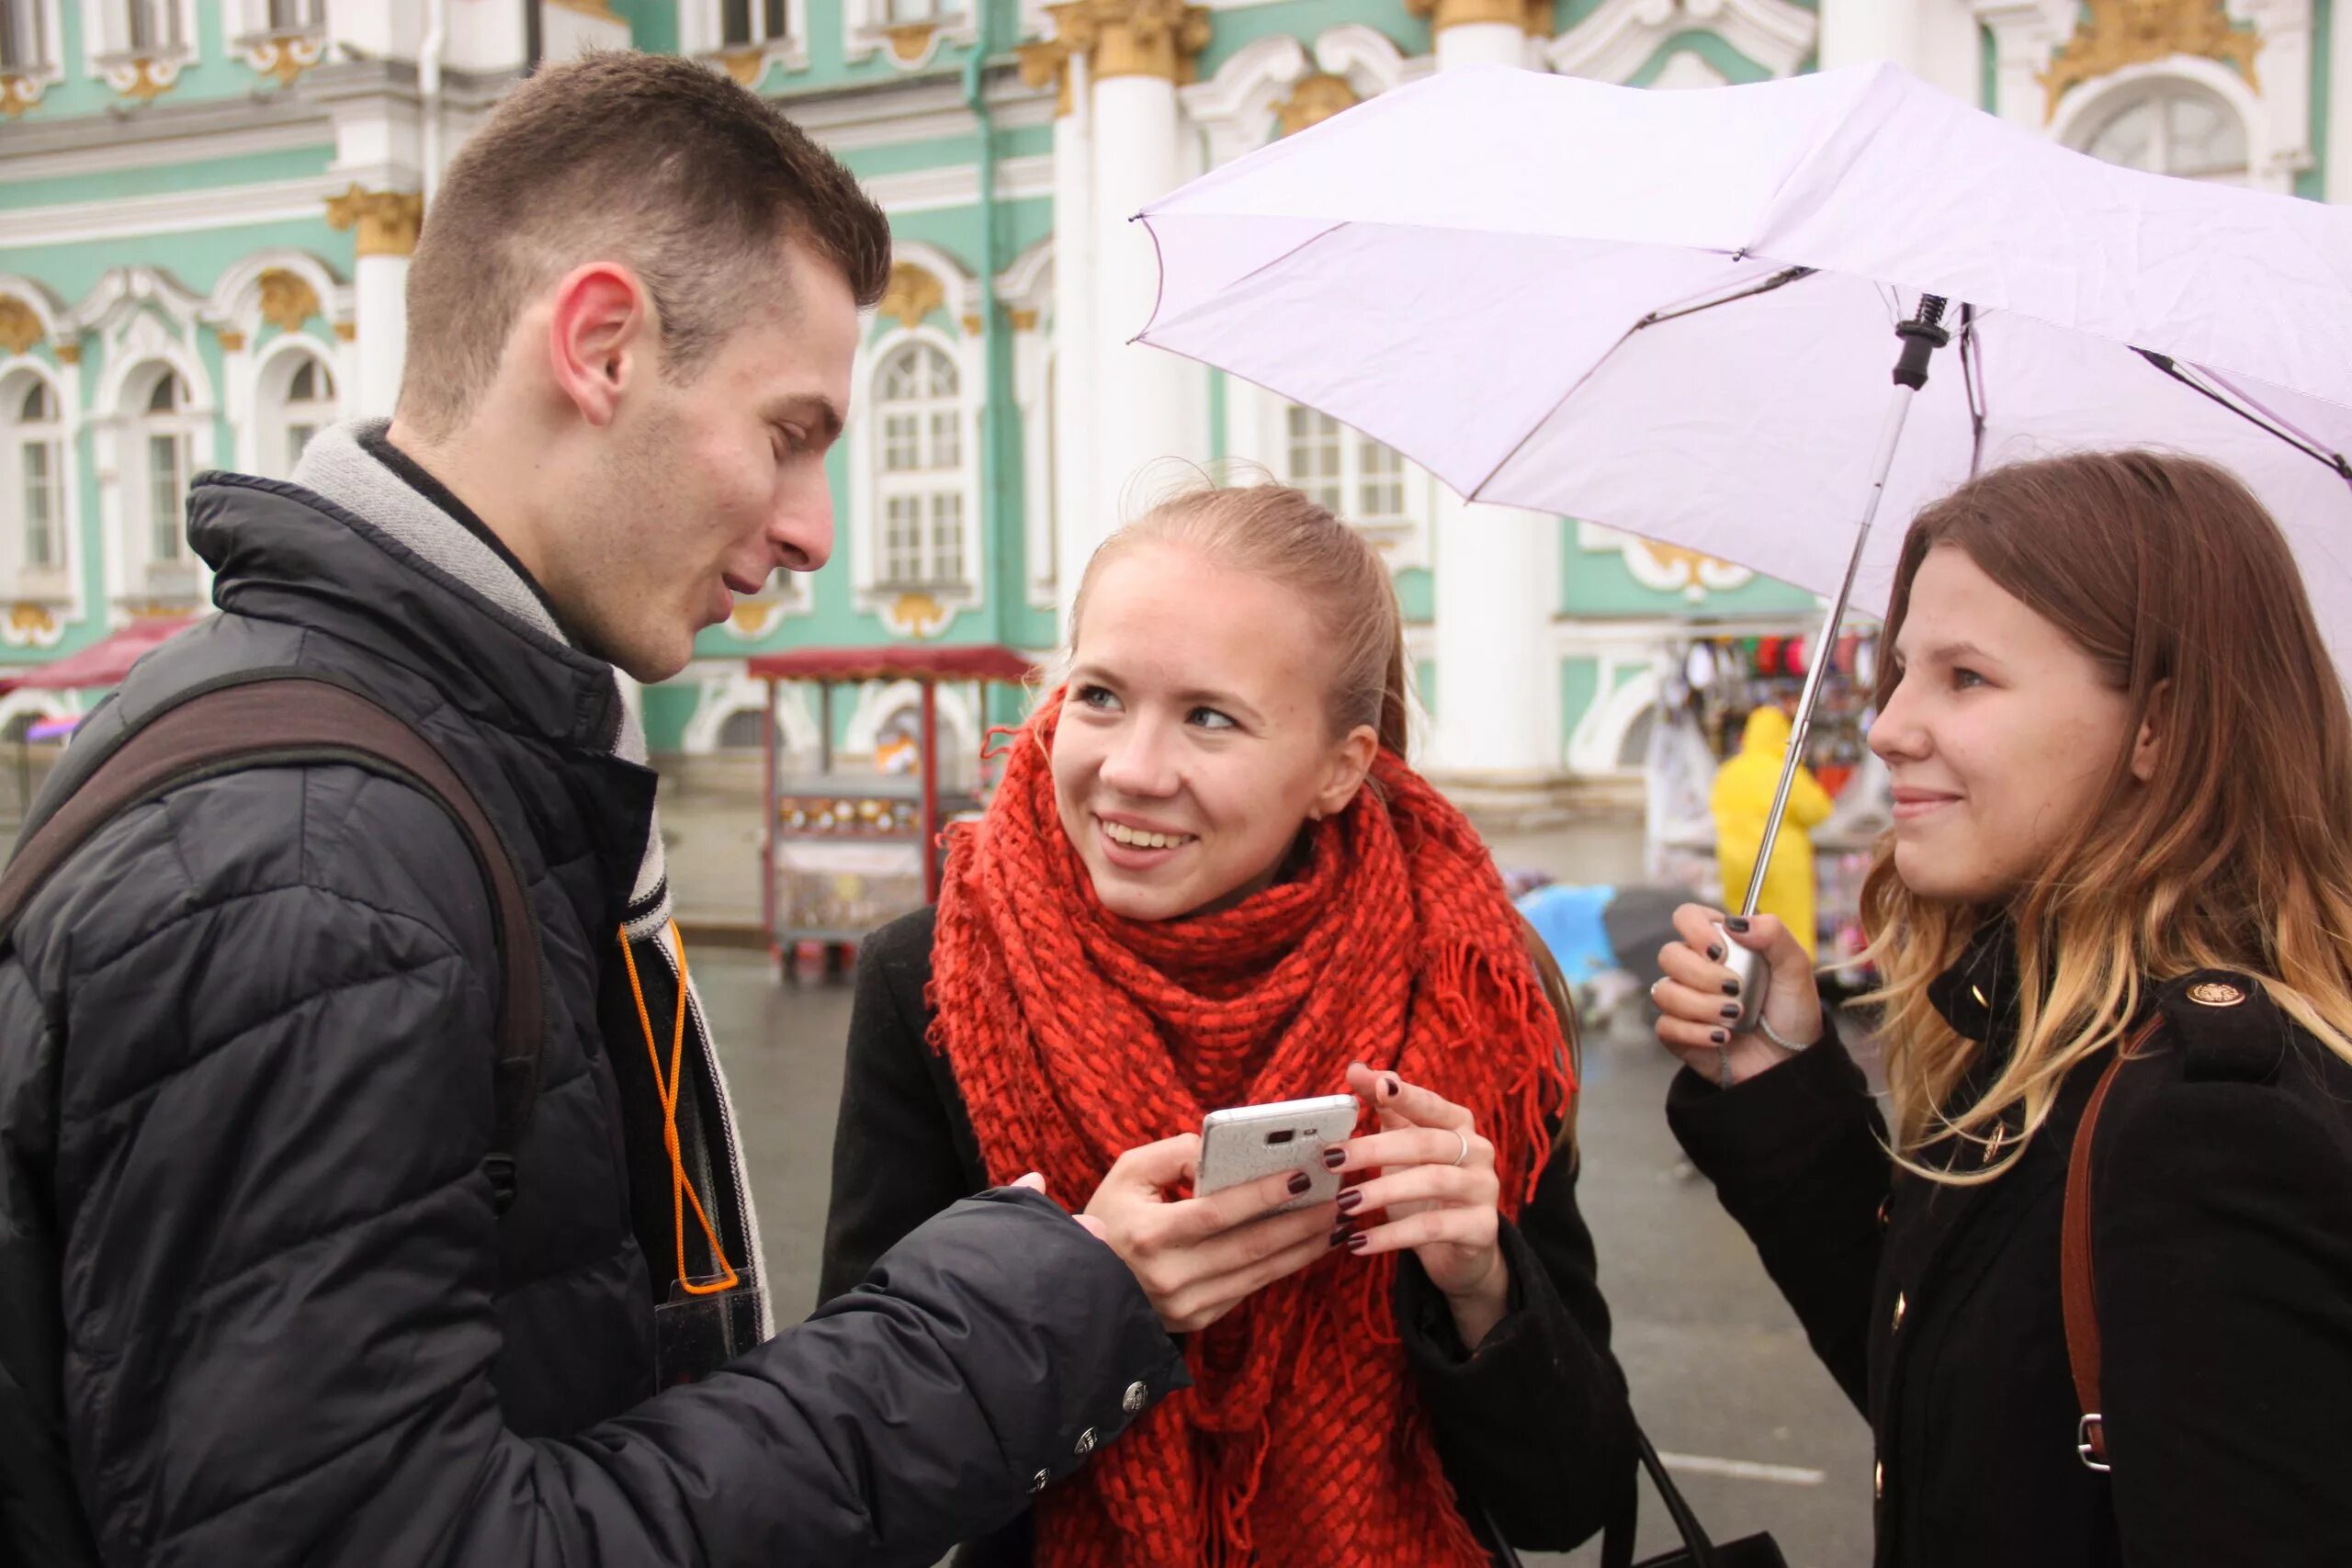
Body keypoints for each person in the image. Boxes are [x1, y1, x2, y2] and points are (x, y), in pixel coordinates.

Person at [0, 53, 1249, 1568]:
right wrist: (1023, 1310)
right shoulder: (320, 874)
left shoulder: (418, 759)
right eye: (789, 431)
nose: (809, 531)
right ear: (601, 345)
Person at [820, 483, 1636, 1566]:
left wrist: (1481, 1283)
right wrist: (1077, 1303)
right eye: (1101, 694)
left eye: (1209, 717)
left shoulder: (1474, 987)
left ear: (1338, 769)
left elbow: (1566, 1499)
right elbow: (853, 1466)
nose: (1131, 770)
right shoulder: (931, 978)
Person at [1652, 451, 2352, 1567]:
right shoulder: (2048, 1037)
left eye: (1965, 678)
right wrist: (1778, 1085)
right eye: (1899, 671)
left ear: (2158, 728)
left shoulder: (2208, 1126)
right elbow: (1967, 1430)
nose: (1886, 727)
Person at [1710, 703, 1833, 957]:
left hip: (1736, 866)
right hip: (1782, 865)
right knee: (1791, 934)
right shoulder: (1785, 771)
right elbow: (1818, 810)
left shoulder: (1729, 771)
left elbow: (1716, 808)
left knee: (1745, 930)